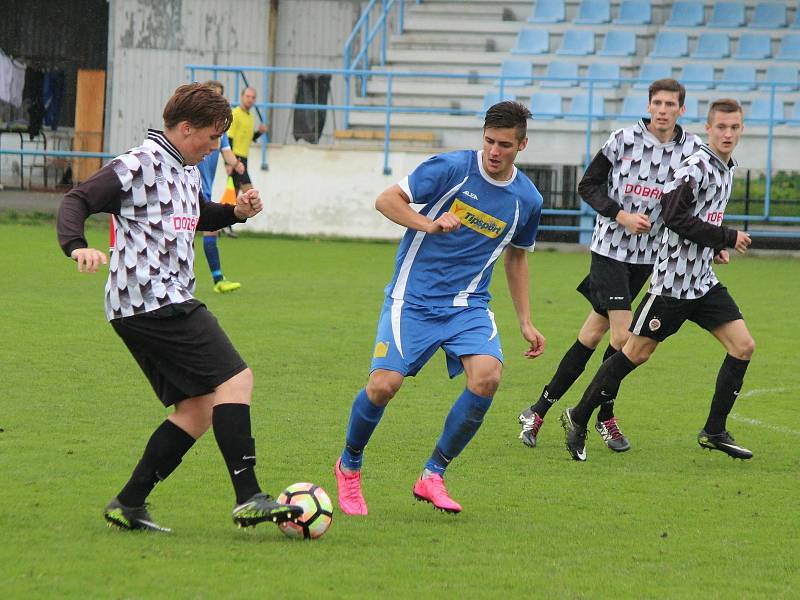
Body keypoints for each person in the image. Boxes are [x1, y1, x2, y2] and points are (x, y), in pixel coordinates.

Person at [56, 83, 302, 532]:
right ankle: (249, 496)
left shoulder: (185, 168)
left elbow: (197, 216)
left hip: (152, 303)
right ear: (186, 128)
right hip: (151, 298)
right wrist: (77, 247)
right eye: (210, 138)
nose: (215, 148)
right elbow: (77, 199)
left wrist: (235, 213)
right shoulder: (138, 164)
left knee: (199, 409)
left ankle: (128, 503)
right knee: (236, 379)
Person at [334, 101, 546, 515]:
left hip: (467, 305)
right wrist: (428, 223)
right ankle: (349, 466)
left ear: (522, 144)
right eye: (488, 141)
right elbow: (386, 200)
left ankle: (433, 475)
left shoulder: (527, 199)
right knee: (383, 386)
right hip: (411, 298)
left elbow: (517, 256)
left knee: (487, 377)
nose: (494, 151)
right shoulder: (450, 169)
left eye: (504, 144)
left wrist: (525, 320)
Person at [561, 98, 754, 462]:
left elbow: (701, 218)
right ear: (708, 128)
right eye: (721, 127)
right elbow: (673, 215)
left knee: (743, 346)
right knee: (634, 352)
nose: (728, 133)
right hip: (673, 284)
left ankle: (714, 430)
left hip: (703, 281)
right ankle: (579, 416)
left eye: (735, 127)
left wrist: (714, 245)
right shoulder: (695, 166)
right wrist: (726, 236)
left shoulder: (725, 168)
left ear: (741, 129)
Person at [517, 79, 702, 452]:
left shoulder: (692, 150)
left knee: (591, 336)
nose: (663, 109)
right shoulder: (622, 139)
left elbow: (694, 204)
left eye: (670, 104)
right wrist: (621, 215)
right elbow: (588, 186)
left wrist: (713, 242)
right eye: (657, 103)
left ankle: (537, 411)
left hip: (649, 258)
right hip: (610, 250)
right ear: (649, 106)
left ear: (682, 109)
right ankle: (603, 416)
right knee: (623, 340)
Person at [196, 80, 246, 293]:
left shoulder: (220, 131)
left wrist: (235, 164)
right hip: (188, 190)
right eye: (213, 96)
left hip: (204, 191)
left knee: (210, 231)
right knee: (183, 233)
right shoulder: (196, 126)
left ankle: (218, 280)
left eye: (219, 97)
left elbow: (226, 151)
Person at [224, 86, 267, 238]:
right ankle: (225, 223)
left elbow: (249, 138)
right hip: (236, 159)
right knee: (248, 192)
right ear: (242, 97)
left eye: (253, 97)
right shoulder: (235, 114)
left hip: (244, 159)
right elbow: (228, 140)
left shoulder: (250, 117)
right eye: (247, 96)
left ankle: (224, 224)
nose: (250, 99)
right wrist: (228, 163)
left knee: (233, 192)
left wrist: (259, 133)